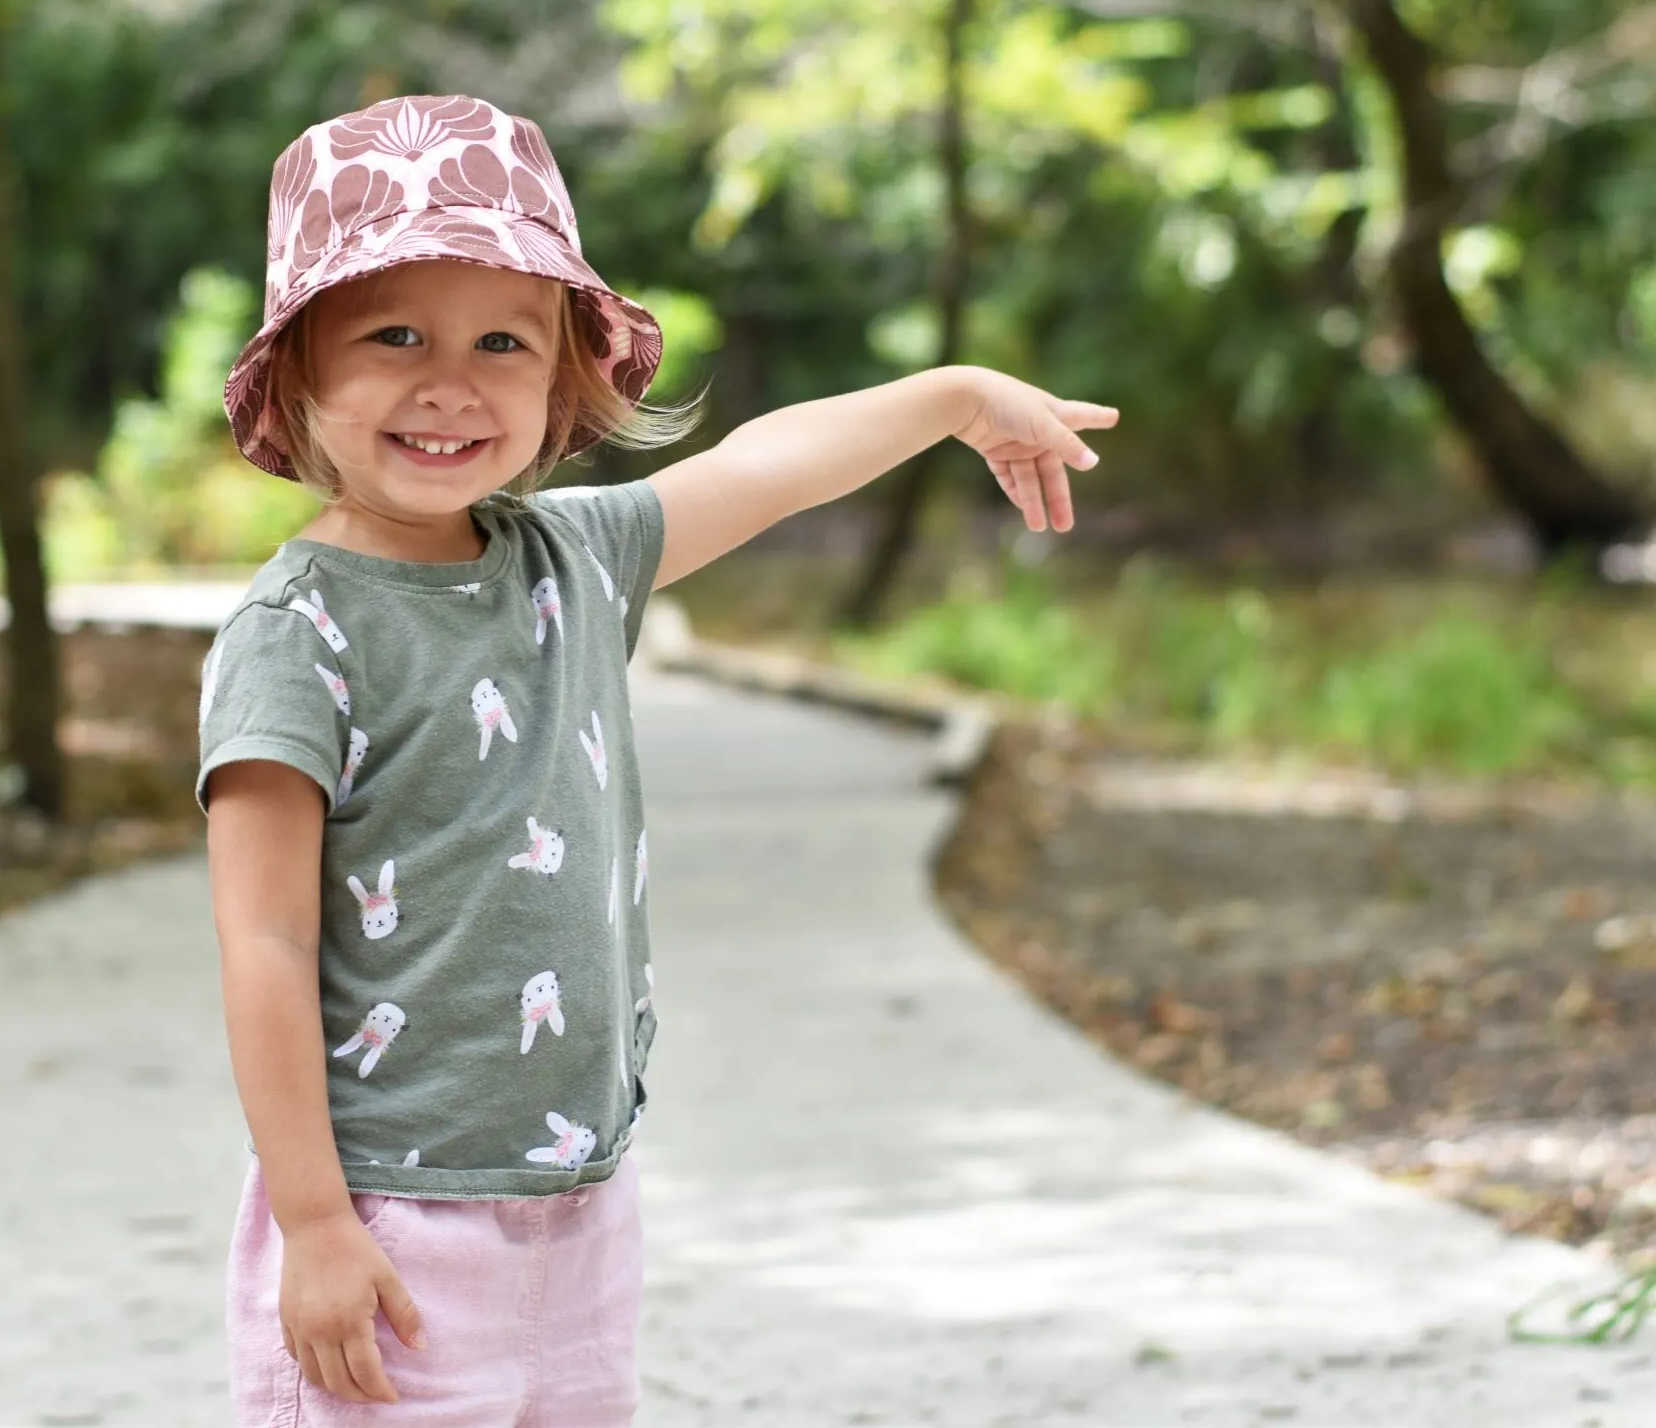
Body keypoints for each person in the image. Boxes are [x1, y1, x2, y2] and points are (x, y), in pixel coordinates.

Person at [198, 94, 1117, 1424]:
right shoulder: (300, 635)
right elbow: (265, 945)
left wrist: (952, 396)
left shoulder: (575, 563)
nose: (451, 381)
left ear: (566, 375)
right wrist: (314, 1223)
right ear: (297, 377)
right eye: (394, 334)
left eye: (502, 342)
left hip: (578, 1194)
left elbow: (766, 465)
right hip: (391, 1211)